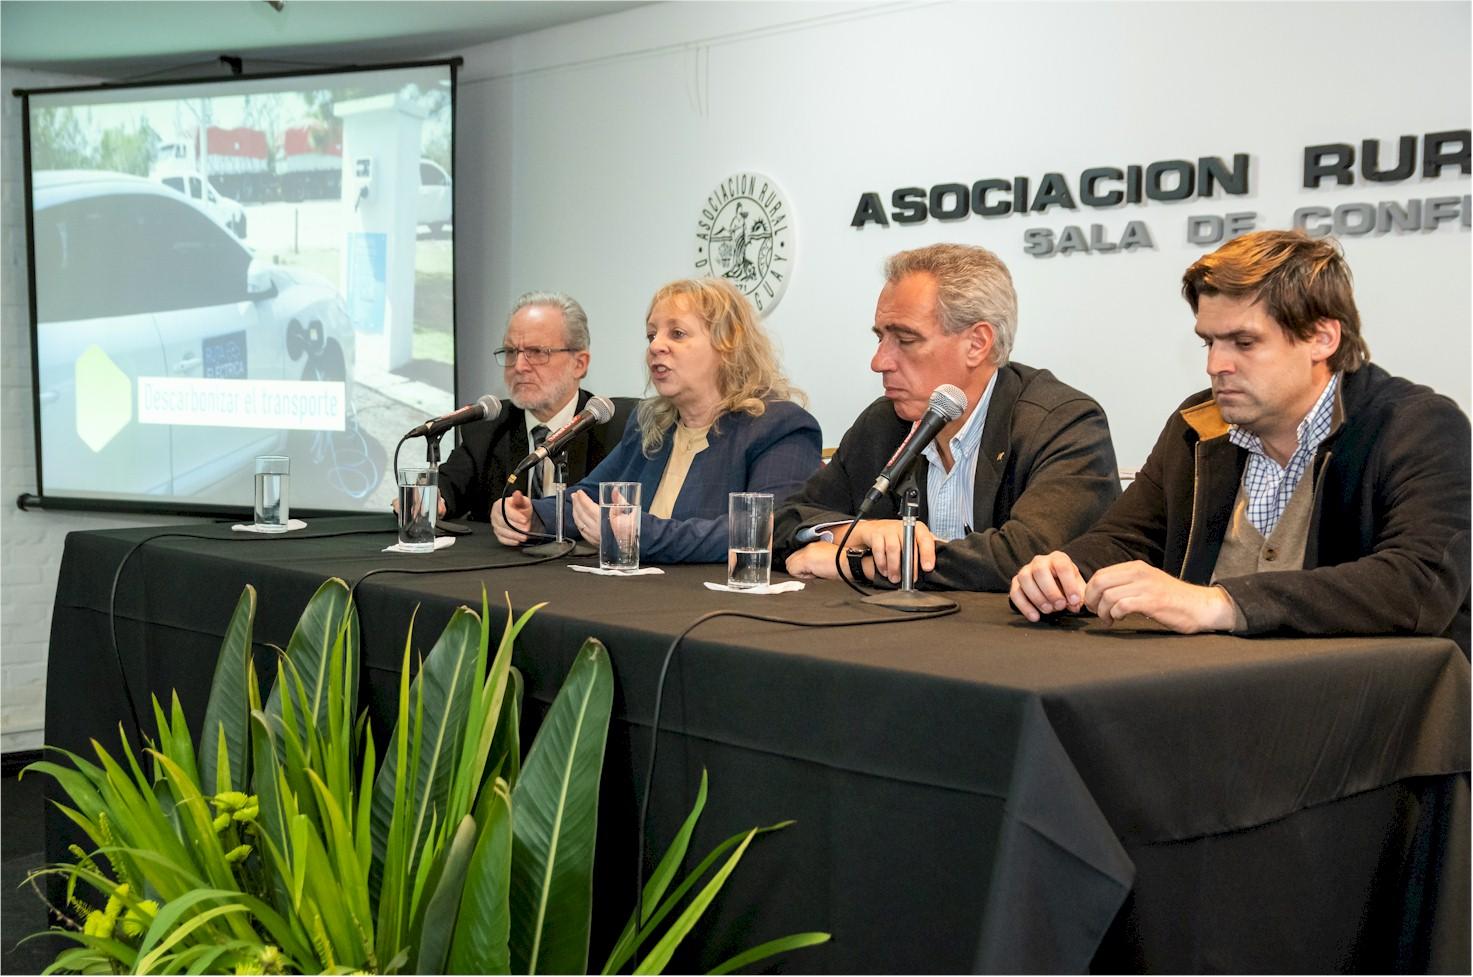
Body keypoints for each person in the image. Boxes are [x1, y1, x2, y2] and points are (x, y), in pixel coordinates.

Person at [1009, 229, 1471, 654]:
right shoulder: (1198, 425)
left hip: (1360, 707)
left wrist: (1217, 604)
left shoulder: (1417, 427)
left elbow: (1420, 584)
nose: (1216, 365)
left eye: (1243, 343)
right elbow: (1128, 538)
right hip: (1213, 693)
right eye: (1208, 342)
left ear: (1322, 338)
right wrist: (1062, 569)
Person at [774, 243, 1120, 590]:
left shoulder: (1063, 424)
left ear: (977, 343)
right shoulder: (884, 424)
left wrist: (859, 564)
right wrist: (858, 533)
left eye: (905, 340)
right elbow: (781, 525)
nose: (879, 362)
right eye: (881, 338)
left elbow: (1024, 559)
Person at [492, 278, 822, 563]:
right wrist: (534, 515)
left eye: (676, 334)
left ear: (728, 343)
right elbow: (592, 495)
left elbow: (766, 531)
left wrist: (640, 533)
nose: (656, 347)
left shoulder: (781, 427)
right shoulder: (650, 423)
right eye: (652, 336)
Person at [436, 291, 633, 521]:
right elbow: (449, 487)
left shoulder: (615, 431)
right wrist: (432, 498)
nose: (519, 366)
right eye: (511, 352)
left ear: (579, 364)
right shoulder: (488, 428)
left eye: (536, 352)